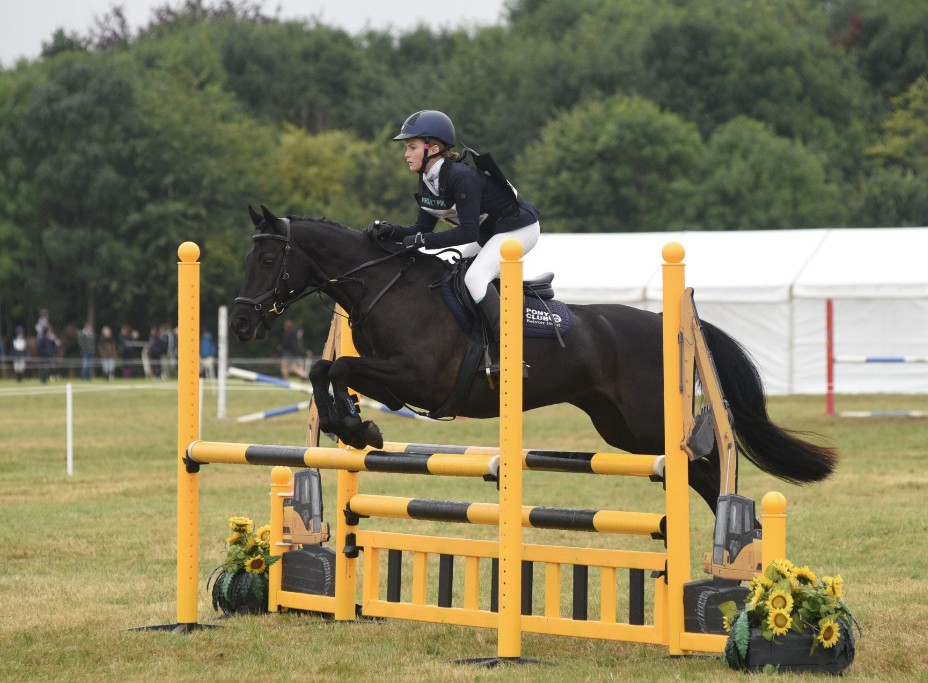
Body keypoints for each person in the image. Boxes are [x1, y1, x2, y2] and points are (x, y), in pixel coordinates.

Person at [366, 109, 541, 353]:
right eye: (406, 148)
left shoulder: (461, 177)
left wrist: (421, 240)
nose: (406, 154)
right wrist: (390, 231)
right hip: (490, 233)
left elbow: (467, 233)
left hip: (519, 229)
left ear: (434, 149)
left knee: (474, 277)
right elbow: (421, 228)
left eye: (412, 147)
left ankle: (507, 348)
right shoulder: (428, 179)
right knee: (451, 275)